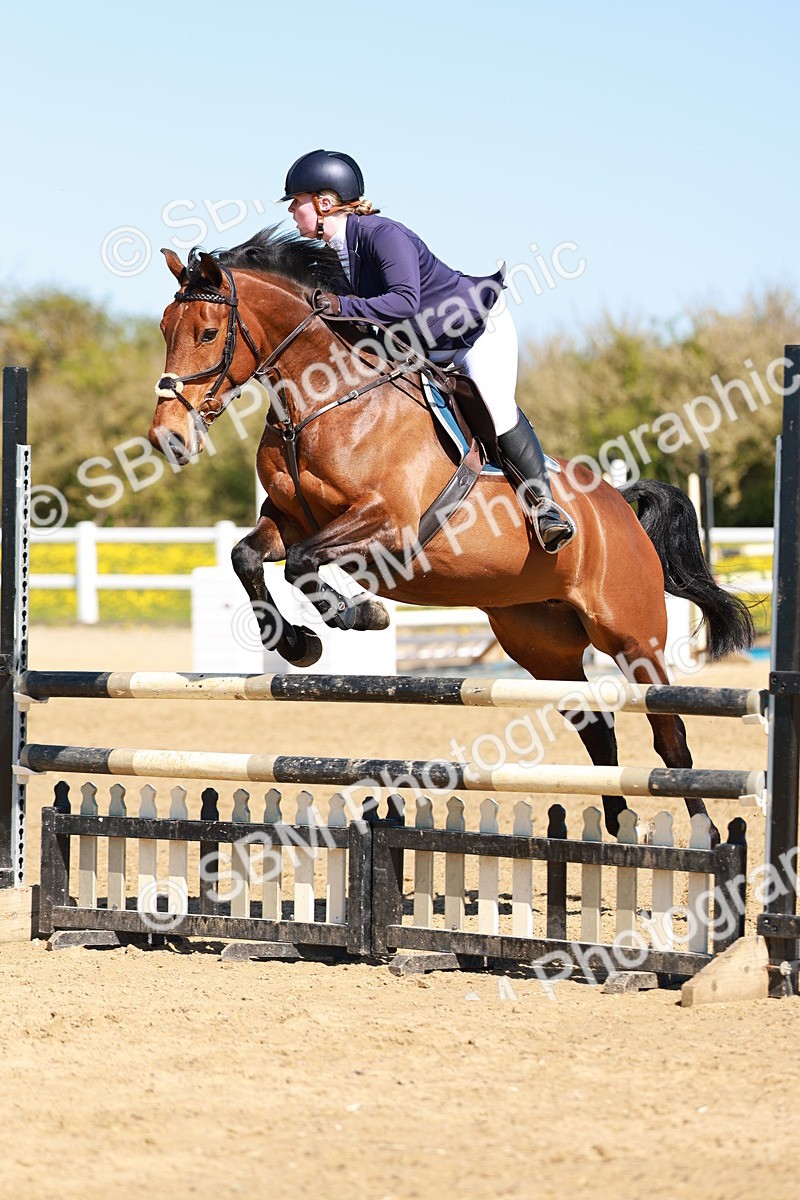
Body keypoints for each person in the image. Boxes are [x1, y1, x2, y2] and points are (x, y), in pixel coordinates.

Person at [277, 148, 576, 552]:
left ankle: (545, 508)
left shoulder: (384, 235)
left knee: (494, 406)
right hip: (421, 344)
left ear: (325, 203)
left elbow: (403, 301)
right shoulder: (336, 254)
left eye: (298, 203)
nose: (293, 212)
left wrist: (342, 306)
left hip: (473, 331)